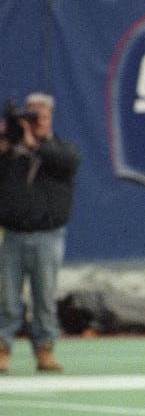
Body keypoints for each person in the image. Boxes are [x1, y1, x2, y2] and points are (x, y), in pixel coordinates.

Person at [0, 93, 80, 374]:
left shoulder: (63, 150)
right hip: (13, 235)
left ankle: (44, 350)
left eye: (42, 117)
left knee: (44, 298)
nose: (36, 122)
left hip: (48, 236)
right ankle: (2, 349)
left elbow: (62, 162)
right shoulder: (11, 152)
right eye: (32, 116)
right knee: (7, 298)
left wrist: (34, 144)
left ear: (50, 119)